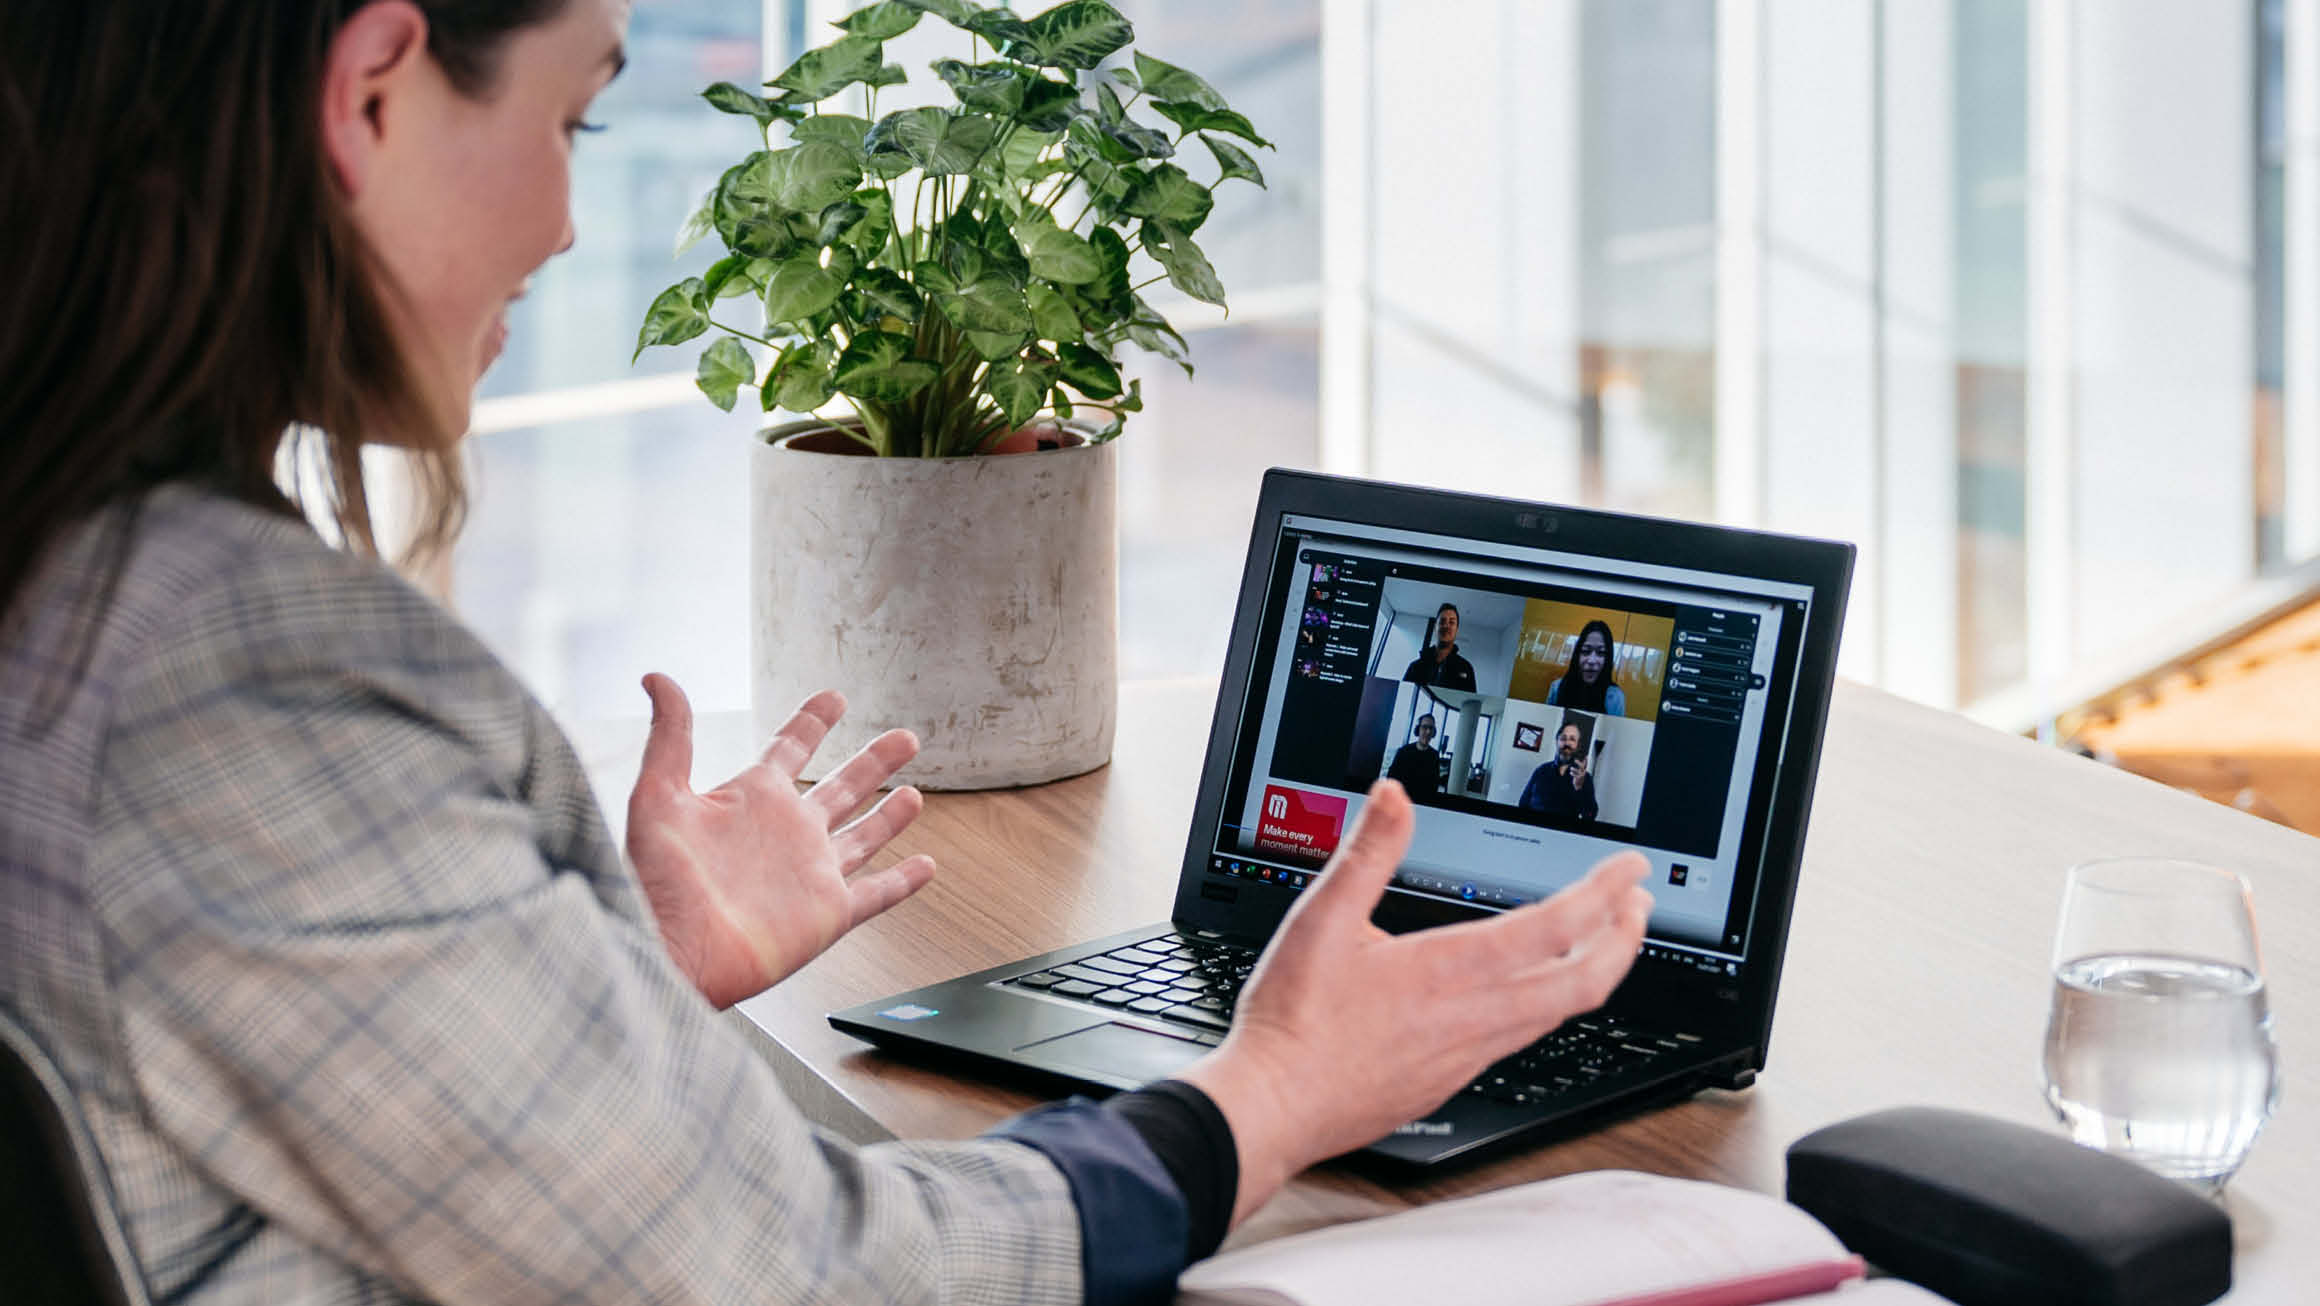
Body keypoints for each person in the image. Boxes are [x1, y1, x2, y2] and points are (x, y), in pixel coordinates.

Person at [0, 4, 1654, 1304]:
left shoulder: (66, 582)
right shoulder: (246, 685)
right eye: (573, 119)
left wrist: (599, 982)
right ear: (371, 91)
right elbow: (807, 1273)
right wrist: (1275, 1093)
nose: (574, 223)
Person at [1520, 723, 1601, 822]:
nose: (1567, 743)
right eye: (1563, 738)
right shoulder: (1541, 770)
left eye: (1572, 739)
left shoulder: (1585, 778)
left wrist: (1579, 788)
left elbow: (1590, 816)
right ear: (1557, 742)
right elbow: (1523, 803)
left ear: (1577, 745)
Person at [1547, 619, 1627, 715]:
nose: (1591, 661)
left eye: (1601, 653)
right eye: (1586, 651)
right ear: (1577, 655)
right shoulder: (1557, 688)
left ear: (1608, 659)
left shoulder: (1615, 697)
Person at [1401, 602, 1477, 691]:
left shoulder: (1466, 668)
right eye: (1442, 621)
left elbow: (1471, 704)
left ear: (1456, 630)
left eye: (1451, 622)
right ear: (1435, 627)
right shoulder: (1415, 667)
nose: (1446, 626)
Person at [1385, 713, 1444, 801]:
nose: (1428, 732)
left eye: (1431, 728)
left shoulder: (1434, 756)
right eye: (1424, 727)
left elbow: (1433, 785)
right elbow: (1391, 779)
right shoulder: (1404, 752)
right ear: (1418, 730)